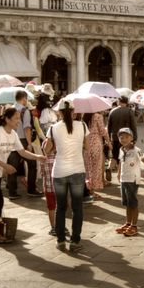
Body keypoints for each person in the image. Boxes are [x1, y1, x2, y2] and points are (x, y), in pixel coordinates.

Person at [0, 108, 39, 244]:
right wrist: (5, 166)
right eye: (16, 118)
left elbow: (22, 152)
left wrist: (38, 157)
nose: (19, 121)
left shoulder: (13, 134)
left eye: (19, 118)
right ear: (7, 119)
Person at [44, 100, 89, 253]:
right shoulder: (82, 126)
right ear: (73, 112)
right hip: (77, 170)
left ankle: (61, 240)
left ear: (60, 112)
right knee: (77, 208)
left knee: (60, 207)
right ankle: (75, 241)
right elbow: (87, 146)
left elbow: (47, 151)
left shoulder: (53, 128)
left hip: (59, 171)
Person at [115, 128, 144, 237]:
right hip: (124, 179)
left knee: (133, 203)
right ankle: (128, 223)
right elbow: (120, 162)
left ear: (132, 138)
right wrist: (119, 174)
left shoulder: (136, 150)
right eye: (121, 137)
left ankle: (134, 226)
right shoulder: (121, 149)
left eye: (127, 137)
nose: (124, 139)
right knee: (127, 203)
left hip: (133, 179)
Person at [6, 90, 31, 198]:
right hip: (22, 140)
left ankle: (12, 191)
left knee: (12, 165)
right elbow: (27, 128)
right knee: (32, 164)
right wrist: (29, 143)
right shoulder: (25, 110)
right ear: (24, 99)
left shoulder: (9, 109)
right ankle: (32, 189)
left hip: (10, 138)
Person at [107, 96, 137, 180]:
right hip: (127, 138)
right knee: (125, 156)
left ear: (118, 102)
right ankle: (123, 174)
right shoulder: (129, 111)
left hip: (115, 138)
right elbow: (133, 125)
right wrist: (134, 138)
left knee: (114, 156)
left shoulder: (112, 111)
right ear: (126, 102)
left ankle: (109, 169)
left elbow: (109, 127)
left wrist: (108, 138)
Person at [82, 111, 110, 199]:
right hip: (96, 143)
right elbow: (102, 131)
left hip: (85, 143)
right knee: (96, 167)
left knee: (87, 167)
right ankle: (92, 191)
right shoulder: (98, 116)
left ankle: (88, 189)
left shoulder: (84, 116)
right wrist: (108, 141)